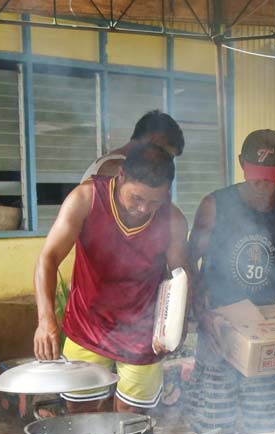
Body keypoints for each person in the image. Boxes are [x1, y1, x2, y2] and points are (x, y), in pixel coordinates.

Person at [34, 142, 190, 413]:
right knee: (83, 415)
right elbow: (47, 260)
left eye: (155, 201)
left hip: (142, 333)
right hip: (87, 324)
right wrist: (46, 319)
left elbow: (181, 278)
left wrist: (177, 325)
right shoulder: (85, 200)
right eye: (137, 198)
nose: (143, 209)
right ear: (121, 178)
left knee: (131, 424)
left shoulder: (173, 220)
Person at [186, 130, 275, 434]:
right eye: (256, 178)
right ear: (241, 165)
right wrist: (200, 313)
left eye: (270, 180)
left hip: (264, 323)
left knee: (266, 416)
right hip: (218, 319)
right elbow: (189, 262)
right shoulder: (215, 205)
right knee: (214, 413)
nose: (262, 187)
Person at [80, 110, 185, 183]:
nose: (164, 163)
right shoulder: (117, 167)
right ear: (156, 139)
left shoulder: (116, 162)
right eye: (166, 156)